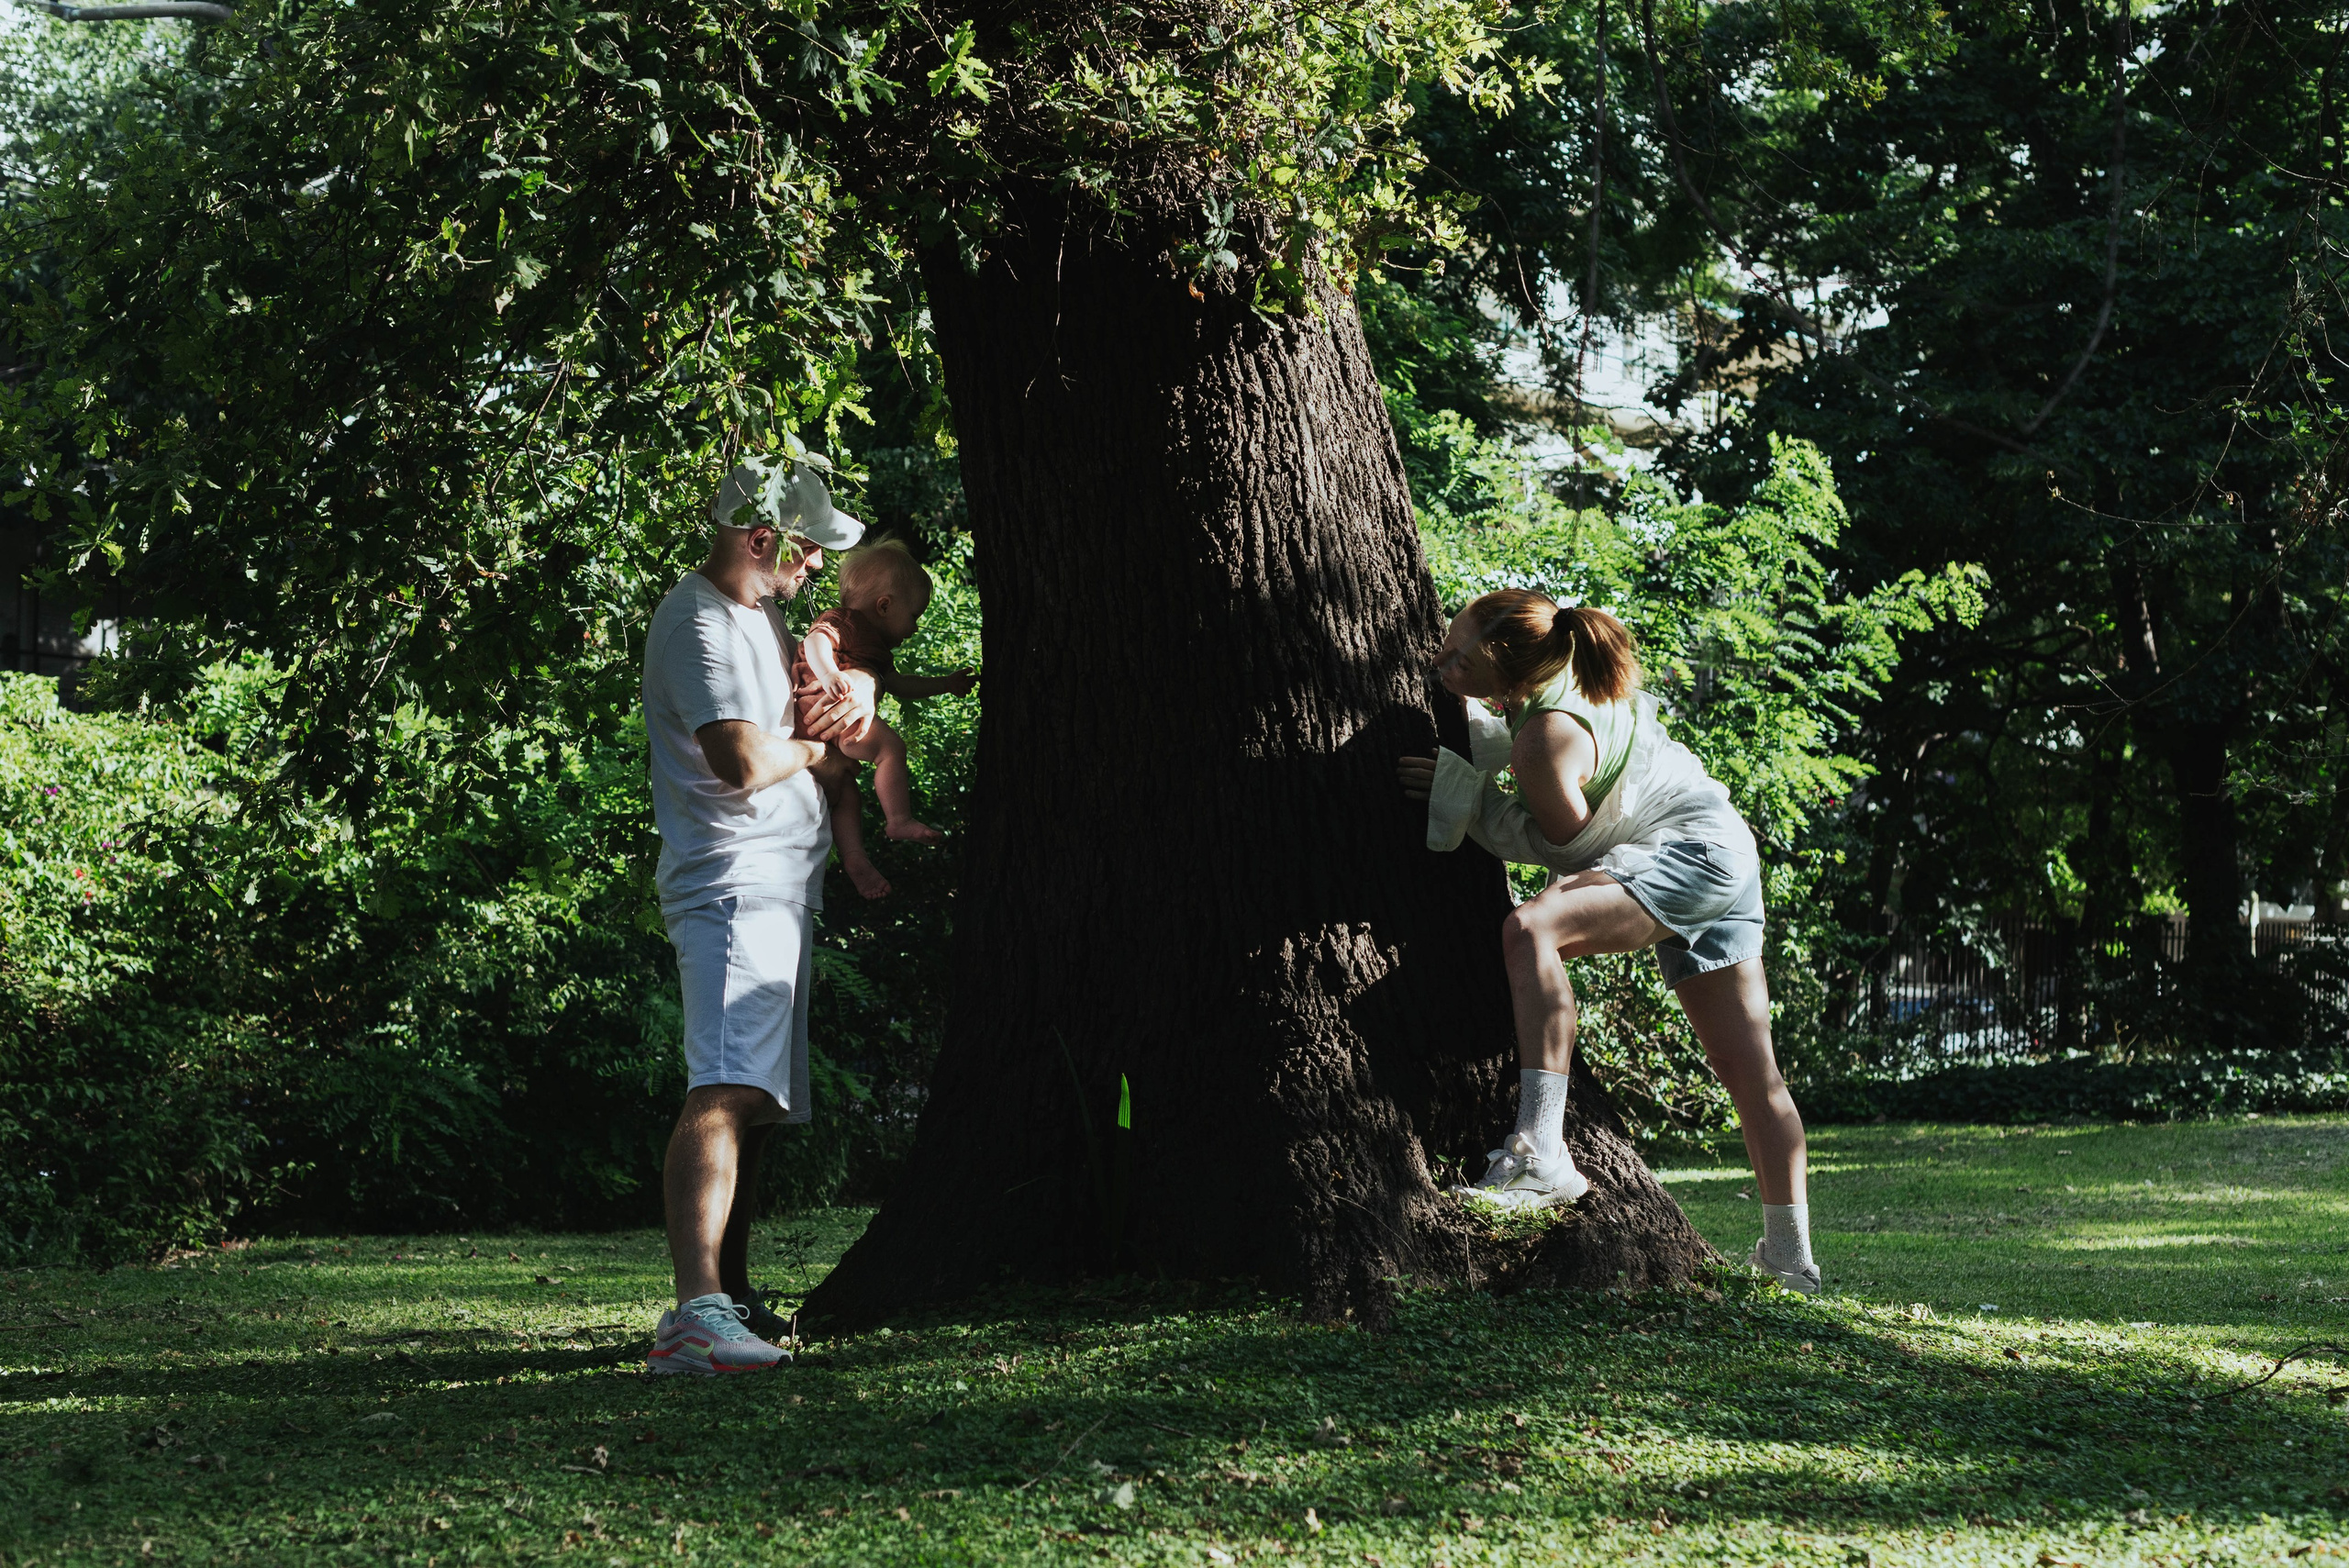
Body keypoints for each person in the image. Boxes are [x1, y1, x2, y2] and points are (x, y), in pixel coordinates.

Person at [1397, 588, 1820, 1295]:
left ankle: (1543, 1156)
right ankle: (1791, 1260)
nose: (1439, 660)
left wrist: (1468, 799)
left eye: (1458, 658)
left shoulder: (1542, 741)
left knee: (1530, 928)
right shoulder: (1559, 675)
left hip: (1694, 855)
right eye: (1447, 641)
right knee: (1747, 1070)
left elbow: (1564, 844)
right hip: (1723, 847)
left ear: (1506, 671)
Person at [638, 456, 874, 1373]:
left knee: (755, 1102)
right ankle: (696, 1316)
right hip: (730, 885)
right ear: (761, 538)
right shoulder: (696, 619)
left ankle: (725, 1300)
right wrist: (818, 753)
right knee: (726, 1087)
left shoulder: (756, 608)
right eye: (807, 549)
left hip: (773, 885)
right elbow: (738, 758)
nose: (814, 567)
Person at [796, 536, 979, 900]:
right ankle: (898, 820)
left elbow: (902, 685)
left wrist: (946, 683)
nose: (914, 628)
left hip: (823, 722)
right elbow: (817, 640)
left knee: (847, 792)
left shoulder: (877, 652)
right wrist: (830, 673)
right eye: (914, 616)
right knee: (891, 748)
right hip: (829, 703)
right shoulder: (845, 622)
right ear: (884, 605)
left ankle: (855, 859)